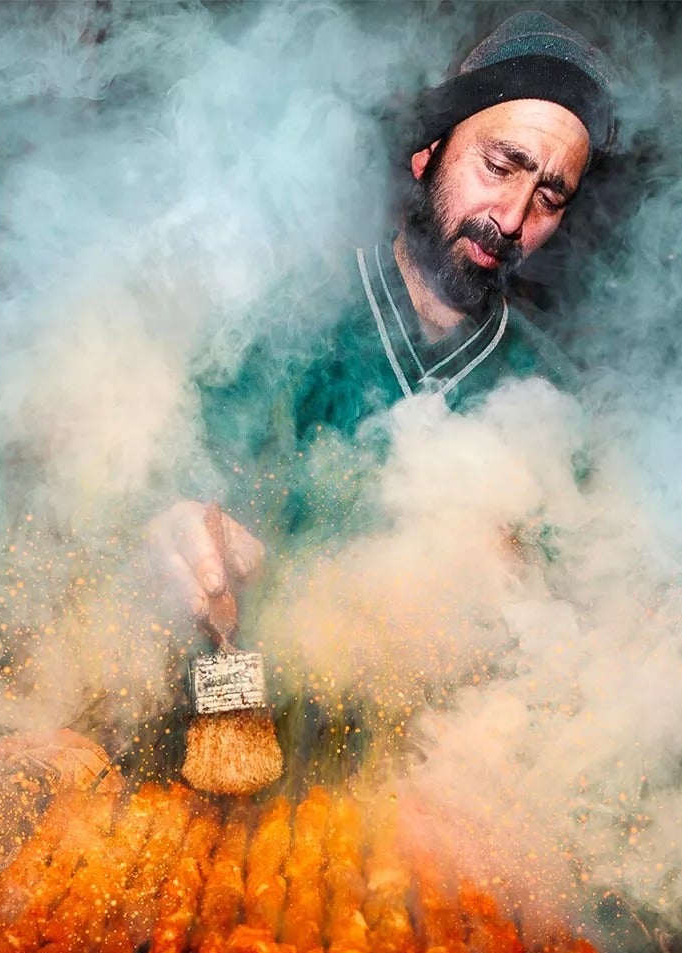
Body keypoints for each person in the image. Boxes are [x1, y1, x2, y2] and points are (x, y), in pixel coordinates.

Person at [148, 10, 620, 628]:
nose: (511, 217)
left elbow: (578, 635)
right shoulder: (283, 328)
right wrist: (166, 528)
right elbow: (163, 492)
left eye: (549, 197)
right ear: (429, 153)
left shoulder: (554, 401)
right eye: (500, 168)